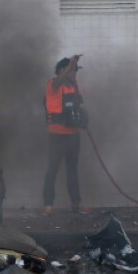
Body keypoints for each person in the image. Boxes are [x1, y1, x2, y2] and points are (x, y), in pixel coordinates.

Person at [42, 55, 92, 216]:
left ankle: (76, 204)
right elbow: (60, 79)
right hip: (57, 135)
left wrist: (74, 65)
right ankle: (48, 205)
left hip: (73, 135)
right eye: (71, 70)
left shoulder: (73, 86)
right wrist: (71, 64)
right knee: (53, 170)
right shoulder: (53, 85)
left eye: (75, 71)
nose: (74, 73)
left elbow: (77, 104)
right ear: (62, 70)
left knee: (72, 170)